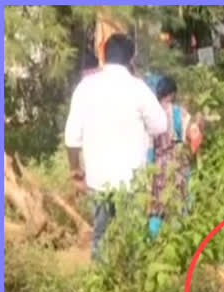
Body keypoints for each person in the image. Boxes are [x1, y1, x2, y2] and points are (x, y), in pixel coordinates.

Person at [64, 33, 167, 261]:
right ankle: (130, 288)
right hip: (132, 182)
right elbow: (161, 126)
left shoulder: (85, 88)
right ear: (131, 58)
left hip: (98, 181)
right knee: (132, 240)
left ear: (103, 55)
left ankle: (100, 290)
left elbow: (71, 139)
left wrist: (75, 171)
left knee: (100, 237)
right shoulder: (138, 88)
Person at [147, 76, 203, 239]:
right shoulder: (180, 112)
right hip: (178, 162)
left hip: (157, 165)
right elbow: (194, 136)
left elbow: (149, 146)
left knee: (157, 203)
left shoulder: (151, 113)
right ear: (171, 93)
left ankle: (154, 240)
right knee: (181, 200)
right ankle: (181, 238)